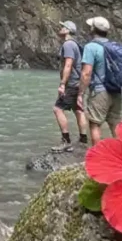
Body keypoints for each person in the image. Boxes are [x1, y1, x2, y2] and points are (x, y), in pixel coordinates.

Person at [77, 16, 122, 145]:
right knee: (116, 125)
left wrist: (80, 93)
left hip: (99, 91)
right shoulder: (115, 46)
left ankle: (98, 157)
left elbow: (86, 73)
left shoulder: (91, 47)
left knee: (95, 125)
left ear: (93, 29)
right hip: (116, 90)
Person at [51, 20, 89, 152]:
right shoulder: (76, 45)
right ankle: (83, 140)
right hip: (78, 83)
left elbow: (68, 65)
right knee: (78, 109)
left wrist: (62, 84)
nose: (60, 28)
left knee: (57, 109)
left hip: (71, 84)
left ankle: (66, 141)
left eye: (63, 27)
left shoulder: (68, 44)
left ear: (67, 30)